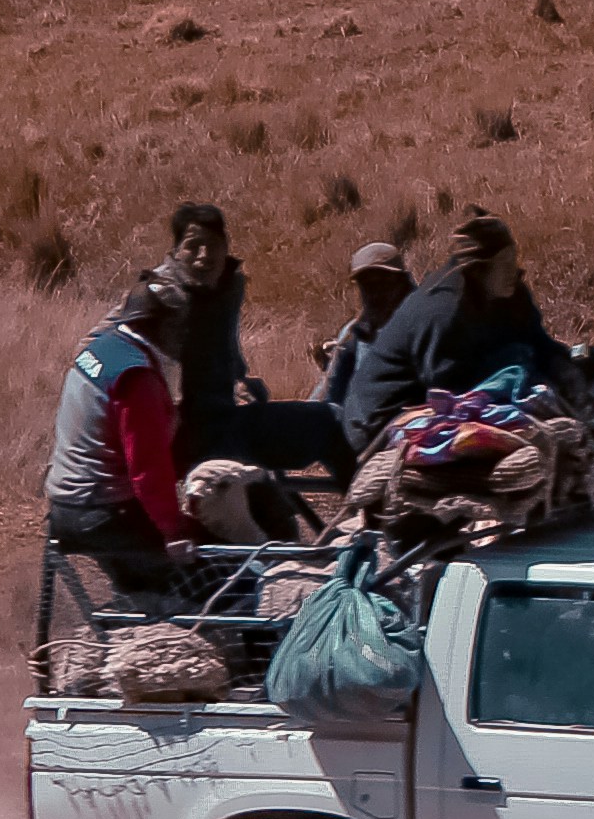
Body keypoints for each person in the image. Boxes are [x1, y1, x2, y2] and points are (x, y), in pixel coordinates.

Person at [335, 208, 586, 438]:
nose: (514, 272)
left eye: (514, 260)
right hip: (380, 420)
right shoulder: (443, 310)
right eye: (504, 265)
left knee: (527, 360)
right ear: (478, 270)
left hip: (438, 396)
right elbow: (447, 385)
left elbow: (538, 341)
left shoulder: (510, 293)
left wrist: (564, 368)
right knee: (516, 364)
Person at [159, 201, 354, 485]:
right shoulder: (160, 296)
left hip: (228, 420)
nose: (204, 256)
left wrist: (240, 380)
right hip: (191, 439)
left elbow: (224, 351)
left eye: (212, 245)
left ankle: (363, 506)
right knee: (261, 494)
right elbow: (111, 346)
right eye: (193, 246)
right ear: (176, 252)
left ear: (225, 247)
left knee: (332, 419)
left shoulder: (227, 288)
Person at [44, 271, 193, 598]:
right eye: (177, 326)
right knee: (212, 563)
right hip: (103, 514)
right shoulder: (136, 377)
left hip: (65, 507)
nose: (184, 335)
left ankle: (136, 604)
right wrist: (173, 530)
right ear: (154, 326)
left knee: (142, 581)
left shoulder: (101, 349)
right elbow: (148, 470)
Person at [310, 241, 414, 433]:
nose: (376, 294)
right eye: (367, 285)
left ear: (402, 282)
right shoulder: (355, 332)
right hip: (359, 427)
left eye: (383, 283)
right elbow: (329, 392)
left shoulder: (423, 323)